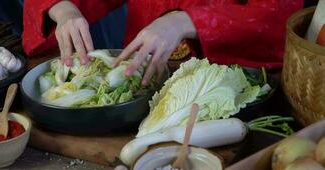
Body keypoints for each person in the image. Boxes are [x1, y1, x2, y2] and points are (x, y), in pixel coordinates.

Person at [22, 0, 303, 85]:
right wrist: (64, 10)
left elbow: (280, 16)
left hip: (231, 87)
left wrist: (184, 22)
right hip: (143, 80)